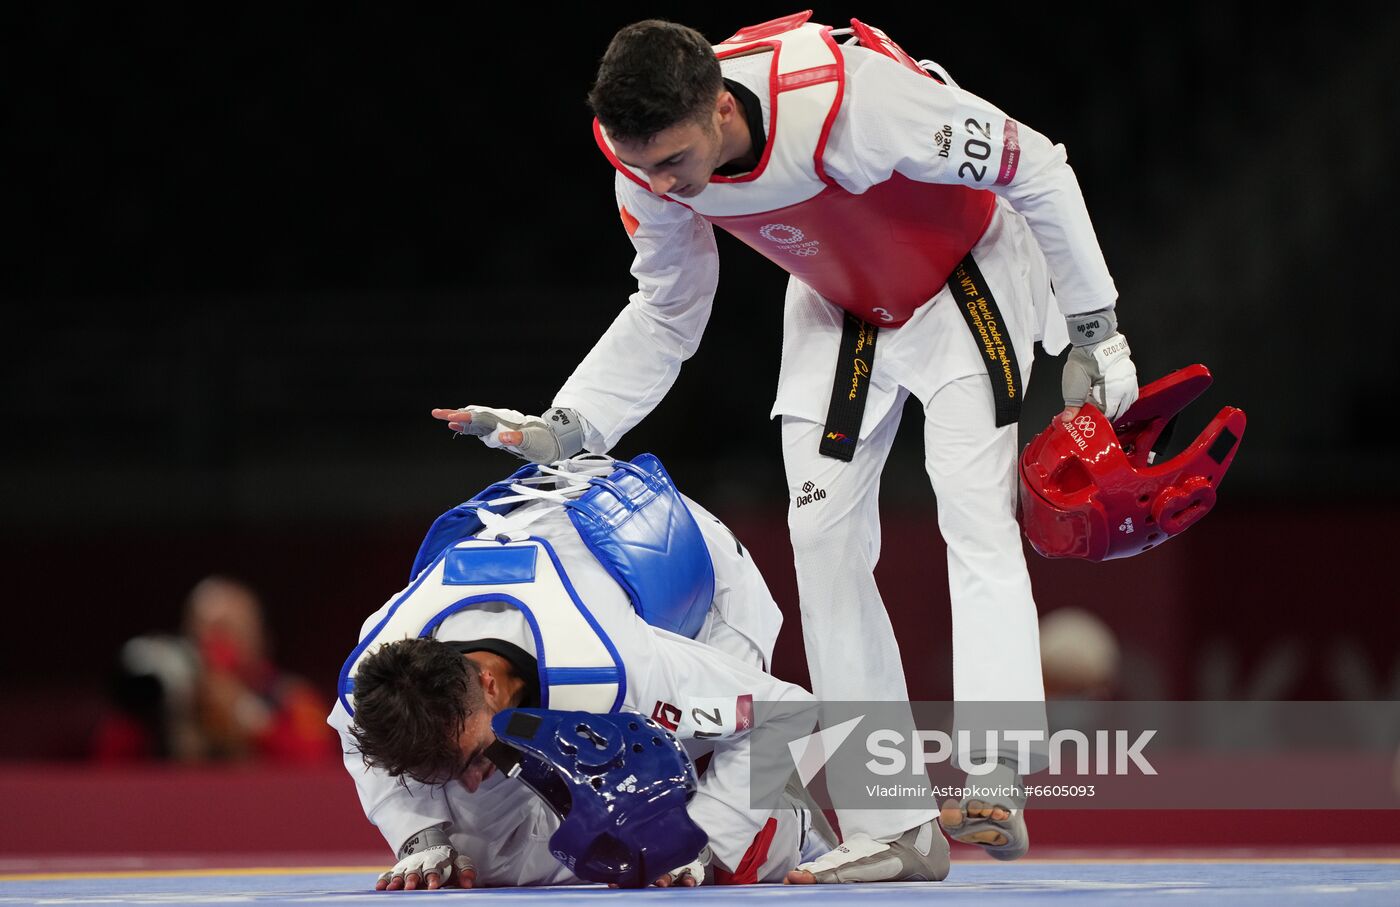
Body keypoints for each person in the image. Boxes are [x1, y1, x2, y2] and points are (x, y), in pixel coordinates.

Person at [432, 12, 1139, 881]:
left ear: (722, 110)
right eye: (639, 165)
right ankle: (895, 823)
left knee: (973, 516)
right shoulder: (641, 166)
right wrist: (571, 422)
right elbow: (665, 308)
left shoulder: (849, 102)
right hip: (840, 298)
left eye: (674, 163)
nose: (661, 185)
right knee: (824, 543)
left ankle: (997, 773)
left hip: (966, 268)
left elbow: (1034, 163)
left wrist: (1096, 332)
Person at [327, 455, 877, 889]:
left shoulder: (607, 668)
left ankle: (787, 827)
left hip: (694, 586)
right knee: (473, 859)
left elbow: (784, 710)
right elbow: (362, 746)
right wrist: (420, 836)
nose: (470, 783)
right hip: (549, 549)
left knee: (667, 847)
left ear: (488, 684)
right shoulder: (373, 679)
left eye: (470, 761)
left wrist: (707, 835)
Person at [93, 575, 336, 764]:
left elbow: (317, 761)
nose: (216, 642)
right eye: (206, 630)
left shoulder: (289, 697)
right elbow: (110, 765)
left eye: (229, 629)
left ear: (260, 638)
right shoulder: (164, 694)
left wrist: (246, 715)